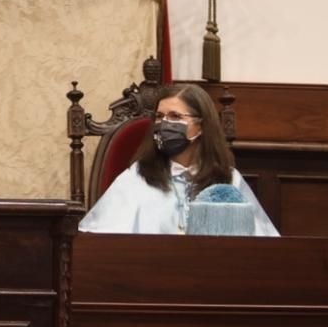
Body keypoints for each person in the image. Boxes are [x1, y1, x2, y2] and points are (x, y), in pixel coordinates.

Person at [79, 82, 276, 235]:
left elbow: (261, 245)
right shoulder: (137, 177)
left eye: (175, 116)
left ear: (201, 126)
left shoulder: (228, 178)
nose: (164, 124)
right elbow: (101, 242)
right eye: (159, 116)